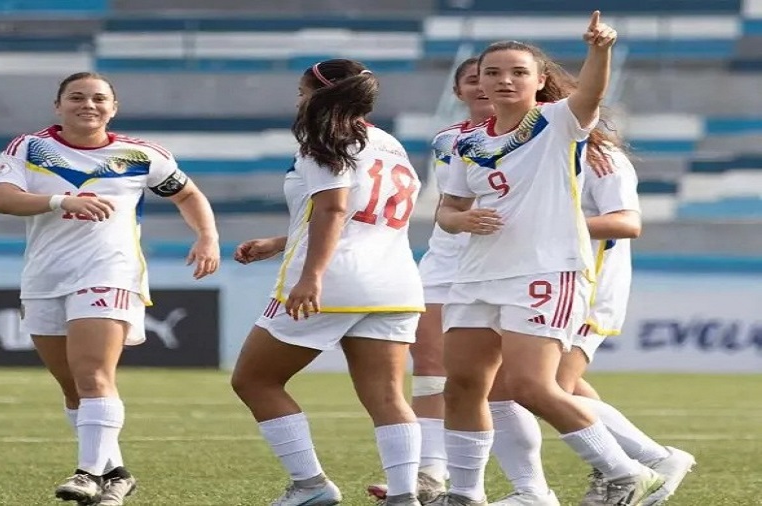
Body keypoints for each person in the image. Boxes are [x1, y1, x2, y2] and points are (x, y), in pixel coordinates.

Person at [433, 12, 665, 506]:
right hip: (477, 274)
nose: (504, 80)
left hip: (543, 272)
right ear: (478, 82)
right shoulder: (467, 143)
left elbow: (591, 95)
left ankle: (626, 472)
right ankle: (466, 493)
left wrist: (599, 50)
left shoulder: (557, 123)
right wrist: (460, 221)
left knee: (531, 387)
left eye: (518, 71)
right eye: (493, 72)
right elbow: (448, 209)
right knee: (461, 386)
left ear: (540, 82)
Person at [0, 72, 220, 506]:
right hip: (45, 277)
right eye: (76, 97)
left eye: (98, 99)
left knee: (94, 376)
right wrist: (61, 200)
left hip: (109, 273)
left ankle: (87, 473)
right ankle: (117, 474)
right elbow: (1, 198)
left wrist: (208, 236)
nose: (87, 105)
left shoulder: (141, 154)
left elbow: (188, 195)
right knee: (73, 386)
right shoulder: (30, 147)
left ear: (113, 108)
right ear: (58, 106)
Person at [229, 59, 426, 506]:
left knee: (254, 380)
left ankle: (310, 485)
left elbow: (335, 209)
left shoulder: (323, 139)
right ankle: (404, 496)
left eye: (302, 93)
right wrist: (282, 241)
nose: (299, 101)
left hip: (335, 279)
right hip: (394, 281)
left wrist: (311, 275)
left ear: (321, 95)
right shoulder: (390, 144)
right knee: (387, 396)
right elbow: (363, 216)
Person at [487, 142, 695, 506]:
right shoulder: (530, 152)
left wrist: (546, 227)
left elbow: (627, 222)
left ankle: (650, 462)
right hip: (540, 285)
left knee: (539, 387)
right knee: (537, 385)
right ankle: (631, 465)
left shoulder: (600, 157)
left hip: (587, 288)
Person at [367, 57, 495, 504]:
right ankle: (430, 475)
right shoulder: (447, 141)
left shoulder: (537, 134)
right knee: (428, 367)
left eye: (491, 78)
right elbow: (448, 202)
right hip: (445, 261)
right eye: (473, 80)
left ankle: (629, 459)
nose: (483, 87)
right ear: (458, 91)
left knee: (517, 383)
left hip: (502, 263)